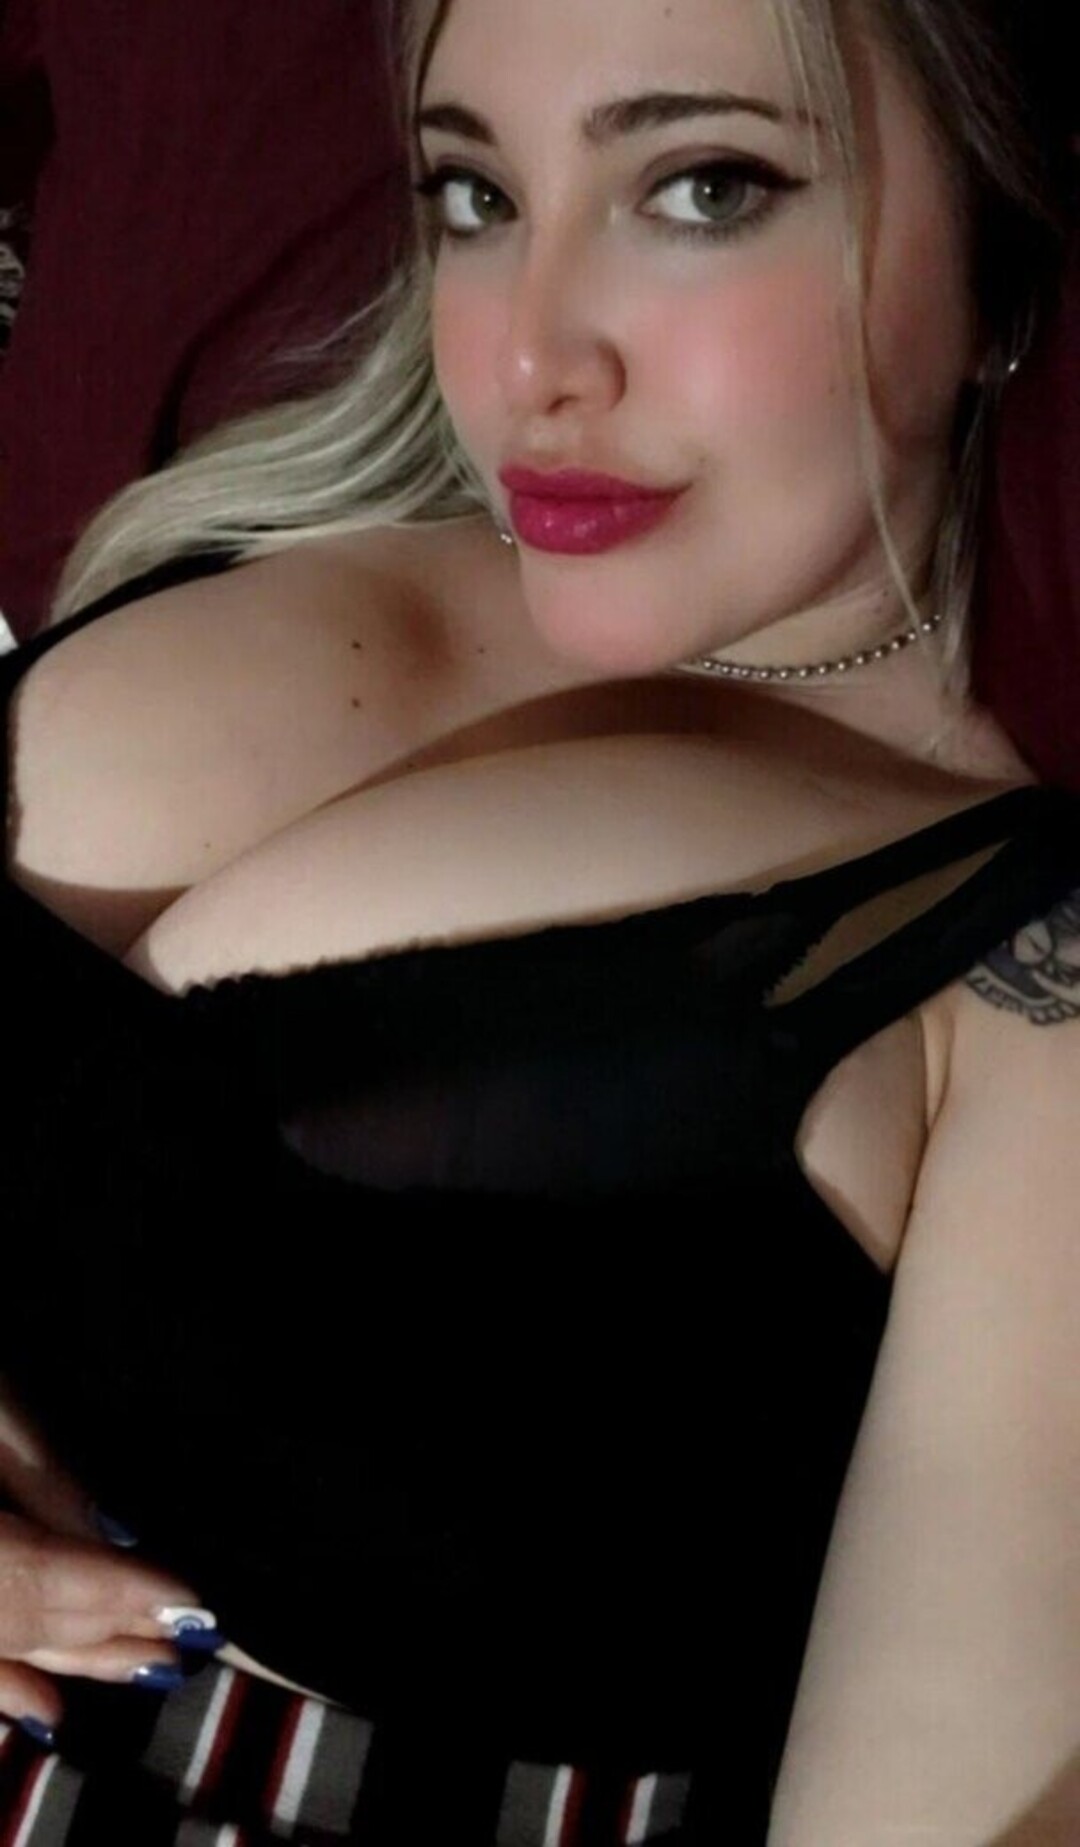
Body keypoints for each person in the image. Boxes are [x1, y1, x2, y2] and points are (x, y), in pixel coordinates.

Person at [0, 0, 1078, 1841]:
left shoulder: (1020, 978)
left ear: (1000, 246)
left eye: (706, 187)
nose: (528, 359)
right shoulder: (274, 518)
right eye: (477, 196)